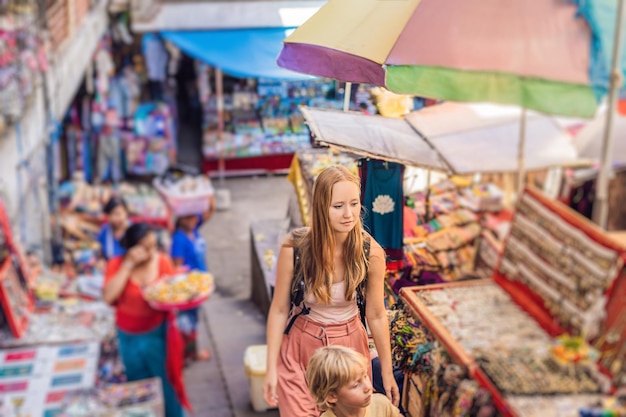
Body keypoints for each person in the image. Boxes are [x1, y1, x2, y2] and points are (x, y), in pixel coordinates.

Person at [263, 165, 400, 416]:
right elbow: (280, 309)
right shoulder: (295, 248)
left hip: (350, 350)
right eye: (338, 206)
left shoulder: (371, 252)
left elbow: (377, 315)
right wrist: (270, 367)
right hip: (301, 346)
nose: (349, 214)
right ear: (320, 207)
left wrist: (388, 372)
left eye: (354, 203)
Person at [103, 223, 190, 417]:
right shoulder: (116, 264)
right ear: (131, 247)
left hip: (158, 334)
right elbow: (109, 296)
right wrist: (128, 265)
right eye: (145, 247)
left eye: (153, 246)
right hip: (128, 338)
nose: (151, 252)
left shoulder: (162, 261)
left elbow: (173, 292)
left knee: (166, 382)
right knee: (139, 385)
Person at [170, 196, 216, 363]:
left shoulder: (193, 229)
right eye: (188, 217)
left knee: (193, 322)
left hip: (198, 286)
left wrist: (208, 193)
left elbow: (210, 210)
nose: (193, 219)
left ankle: (188, 354)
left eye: (194, 216)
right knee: (187, 324)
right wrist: (187, 291)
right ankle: (186, 355)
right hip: (189, 289)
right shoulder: (179, 239)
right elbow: (177, 269)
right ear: (180, 219)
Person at [307, 346, 400, 417]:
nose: (368, 387)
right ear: (332, 396)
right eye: (356, 385)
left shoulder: (382, 405)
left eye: (365, 376)